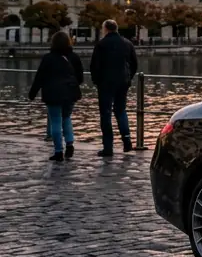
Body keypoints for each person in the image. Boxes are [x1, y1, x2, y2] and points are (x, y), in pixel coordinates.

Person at [28, 31, 84, 162]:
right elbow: (80, 77)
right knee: (66, 117)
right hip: (70, 92)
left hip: (53, 93)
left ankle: (58, 151)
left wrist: (32, 93)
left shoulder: (48, 58)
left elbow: (39, 77)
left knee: (55, 121)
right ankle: (69, 143)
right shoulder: (74, 57)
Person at [90, 18, 138, 156]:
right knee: (121, 111)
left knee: (106, 114)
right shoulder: (127, 43)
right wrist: (129, 77)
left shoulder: (101, 45)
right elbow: (134, 63)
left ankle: (108, 147)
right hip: (123, 82)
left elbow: (94, 66)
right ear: (116, 28)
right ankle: (127, 142)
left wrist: (97, 81)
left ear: (105, 29)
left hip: (105, 83)